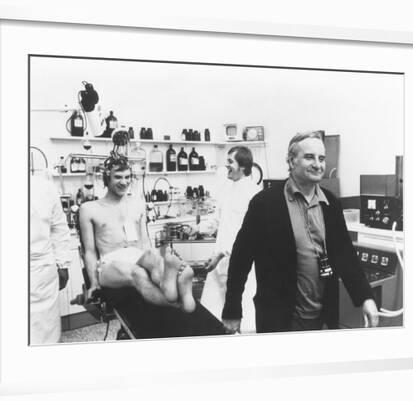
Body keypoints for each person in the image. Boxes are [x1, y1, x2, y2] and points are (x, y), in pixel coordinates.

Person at [222, 131, 379, 333]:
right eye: (309, 157)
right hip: (280, 319)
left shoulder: (330, 203)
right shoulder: (265, 204)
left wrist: (365, 298)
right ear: (291, 160)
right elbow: (240, 258)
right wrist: (232, 308)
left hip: (323, 318)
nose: (317, 164)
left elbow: (345, 254)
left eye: (321, 158)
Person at [79, 155, 196, 313]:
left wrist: (156, 260)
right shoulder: (89, 209)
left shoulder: (137, 204)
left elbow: (145, 242)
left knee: (152, 258)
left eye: (127, 177)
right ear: (107, 178)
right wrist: (93, 284)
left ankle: (170, 284)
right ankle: (178, 304)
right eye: (118, 177)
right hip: (109, 263)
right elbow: (90, 251)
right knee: (138, 273)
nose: (124, 182)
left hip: (136, 255)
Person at [190, 146, 260, 333]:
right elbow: (216, 220)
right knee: (213, 314)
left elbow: (248, 237)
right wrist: (197, 228)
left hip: (241, 265)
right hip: (219, 262)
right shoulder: (227, 189)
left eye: (230, 162)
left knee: (243, 319)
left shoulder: (254, 195)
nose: (226, 165)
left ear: (243, 166)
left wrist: (222, 253)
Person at [30, 175, 72, 344]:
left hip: (40, 268)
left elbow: (59, 227)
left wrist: (63, 264)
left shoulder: (44, 187)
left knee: (45, 333)